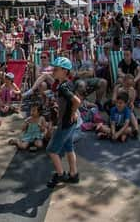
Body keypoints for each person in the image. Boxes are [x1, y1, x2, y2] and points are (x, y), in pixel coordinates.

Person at [46, 56, 80, 188]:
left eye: (56, 69)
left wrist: (72, 113)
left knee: (52, 150)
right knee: (69, 147)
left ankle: (60, 175)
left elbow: (77, 101)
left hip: (65, 123)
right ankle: (73, 174)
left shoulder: (63, 87)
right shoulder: (68, 83)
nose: (53, 71)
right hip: (71, 123)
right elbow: (73, 101)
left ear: (65, 71)